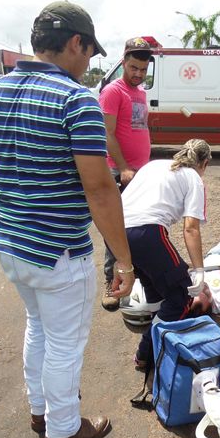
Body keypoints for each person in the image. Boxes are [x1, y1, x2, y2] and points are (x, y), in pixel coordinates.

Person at [0, 1, 135, 438]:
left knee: (39, 328)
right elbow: (100, 190)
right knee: (64, 344)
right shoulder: (75, 99)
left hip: (12, 243)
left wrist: (17, 212)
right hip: (59, 252)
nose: (89, 63)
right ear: (74, 43)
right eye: (89, 52)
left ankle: (41, 409)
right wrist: (123, 259)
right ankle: (63, 429)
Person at [121, 139, 211, 369]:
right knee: (181, 296)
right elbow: (190, 227)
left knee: (156, 289)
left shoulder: (153, 165)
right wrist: (198, 270)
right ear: (205, 163)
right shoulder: (193, 178)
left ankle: (153, 343)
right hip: (147, 233)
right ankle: (147, 352)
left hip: (117, 233)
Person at [99, 37, 152, 311]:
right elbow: (106, 133)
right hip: (119, 171)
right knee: (115, 228)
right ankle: (111, 281)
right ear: (123, 62)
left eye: (143, 69)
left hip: (139, 171)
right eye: (133, 67)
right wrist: (122, 168)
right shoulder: (113, 91)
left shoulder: (140, 92)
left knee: (138, 226)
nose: (138, 74)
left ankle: (134, 276)